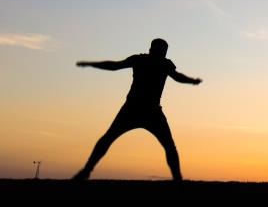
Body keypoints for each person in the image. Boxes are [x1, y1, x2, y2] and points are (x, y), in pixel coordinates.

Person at [72, 38, 202, 181]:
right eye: (160, 50)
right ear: (153, 50)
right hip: (134, 109)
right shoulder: (146, 61)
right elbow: (115, 66)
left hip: (147, 110)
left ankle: (177, 178)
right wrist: (91, 64)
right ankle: (86, 171)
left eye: (163, 51)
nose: (161, 53)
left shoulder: (160, 63)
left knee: (168, 146)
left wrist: (192, 81)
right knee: (108, 139)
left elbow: (177, 77)